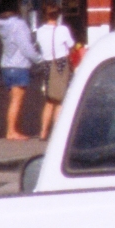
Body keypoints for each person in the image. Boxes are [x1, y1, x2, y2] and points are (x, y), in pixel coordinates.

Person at [0, 1, 41, 139]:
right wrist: (38, 59)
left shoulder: (2, 26)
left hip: (6, 65)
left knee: (13, 100)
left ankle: (11, 130)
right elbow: (26, 47)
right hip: (19, 65)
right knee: (16, 101)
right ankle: (11, 131)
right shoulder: (19, 25)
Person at [34, 9, 76, 138]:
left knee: (49, 101)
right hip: (61, 64)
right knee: (59, 101)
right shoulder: (62, 30)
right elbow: (71, 44)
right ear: (58, 16)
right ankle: (57, 132)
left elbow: (38, 46)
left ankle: (43, 132)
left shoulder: (39, 32)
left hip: (47, 64)